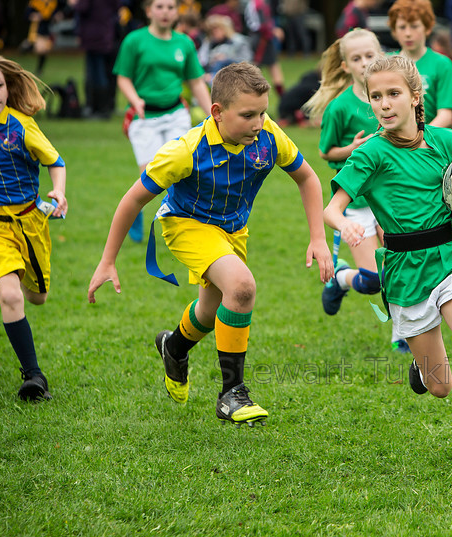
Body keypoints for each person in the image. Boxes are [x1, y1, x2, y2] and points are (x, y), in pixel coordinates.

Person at [88, 62, 333, 426]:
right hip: (186, 224)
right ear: (216, 113)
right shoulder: (185, 151)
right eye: (248, 115)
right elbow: (132, 200)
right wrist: (108, 260)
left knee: (212, 308)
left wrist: (318, 237)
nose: (258, 123)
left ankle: (174, 347)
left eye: (263, 113)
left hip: (232, 230)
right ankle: (231, 394)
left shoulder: (267, 135)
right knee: (242, 286)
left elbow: (308, 177)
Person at [323, 54, 452, 487]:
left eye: (393, 94)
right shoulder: (370, 153)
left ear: (415, 97)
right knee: (441, 387)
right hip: (404, 273)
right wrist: (347, 224)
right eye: (376, 96)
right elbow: (330, 209)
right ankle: (421, 360)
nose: (384, 104)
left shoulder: (448, 143)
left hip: (450, 258)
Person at [0, 53, 68, 401]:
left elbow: (55, 162)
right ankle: (33, 376)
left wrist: (59, 191)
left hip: (29, 222)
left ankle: (19, 277)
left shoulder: (20, 125)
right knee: (9, 294)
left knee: (37, 297)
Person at [303, 29, 409, 351]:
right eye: (357, 58)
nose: (365, 63)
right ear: (346, 65)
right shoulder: (340, 108)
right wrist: (352, 149)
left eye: (370, 55)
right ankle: (341, 279)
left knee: (401, 265)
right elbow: (325, 151)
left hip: (389, 199)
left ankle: (402, 334)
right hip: (357, 203)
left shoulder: (395, 96)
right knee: (373, 280)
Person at [113, 0, 212, 243]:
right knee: (150, 174)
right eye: (159, 6)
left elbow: (196, 81)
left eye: (170, 7)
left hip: (176, 113)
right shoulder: (134, 41)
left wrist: (212, 114)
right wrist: (135, 100)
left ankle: (183, 225)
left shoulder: (184, 43)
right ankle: (135, 213)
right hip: (143, 117)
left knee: (179, 171)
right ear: (148, 11)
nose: (165, 12)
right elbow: (123, 78)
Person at [387, 0, 452, 128]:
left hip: (429, 139)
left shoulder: (442, 64)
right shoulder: (384, 64)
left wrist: (421, 138)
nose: (407, 33)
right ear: (394, 31)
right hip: (391, 138)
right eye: (402, 27)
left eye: (414, 26)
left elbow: (446, 115)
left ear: (427, 28)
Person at [67, 0, 120, 119]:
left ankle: (97, 109)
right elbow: (116, 7)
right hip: (106, 34)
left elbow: (83, 7)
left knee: (95, 73)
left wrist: (73, 4)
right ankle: (106, 107)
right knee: (105, 72)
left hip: (92, 35)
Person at [244, 0, 286, 97]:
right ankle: (282, 97)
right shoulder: (259, 4)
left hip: (257, 37)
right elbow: (263, 24)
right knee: (260, 69)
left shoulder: (252, 3)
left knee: (263, 67)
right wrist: (273, 31)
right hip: (262, 39)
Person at [199, 14, 253, 84]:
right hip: (211, 73)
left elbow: (247, 61)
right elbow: (202, 60)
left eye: (217, 29)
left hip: (235, 74)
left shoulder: (238, 41)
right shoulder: (209, 43)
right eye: (212, 30)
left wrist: (227, 58)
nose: (214, 33)